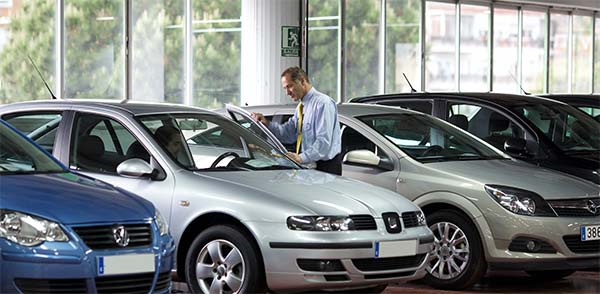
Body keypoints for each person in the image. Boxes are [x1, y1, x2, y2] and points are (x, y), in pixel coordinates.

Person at [252, 66, 342, 175]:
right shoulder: (301, 107)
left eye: (289, 86)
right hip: (310, 168)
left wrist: (300, 157)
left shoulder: (322, 104)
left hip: (326, 169)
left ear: (302, 81)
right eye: (285, 88)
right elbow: (288, 134)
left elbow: (323, 142)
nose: (287, 93)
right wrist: (266, 123)